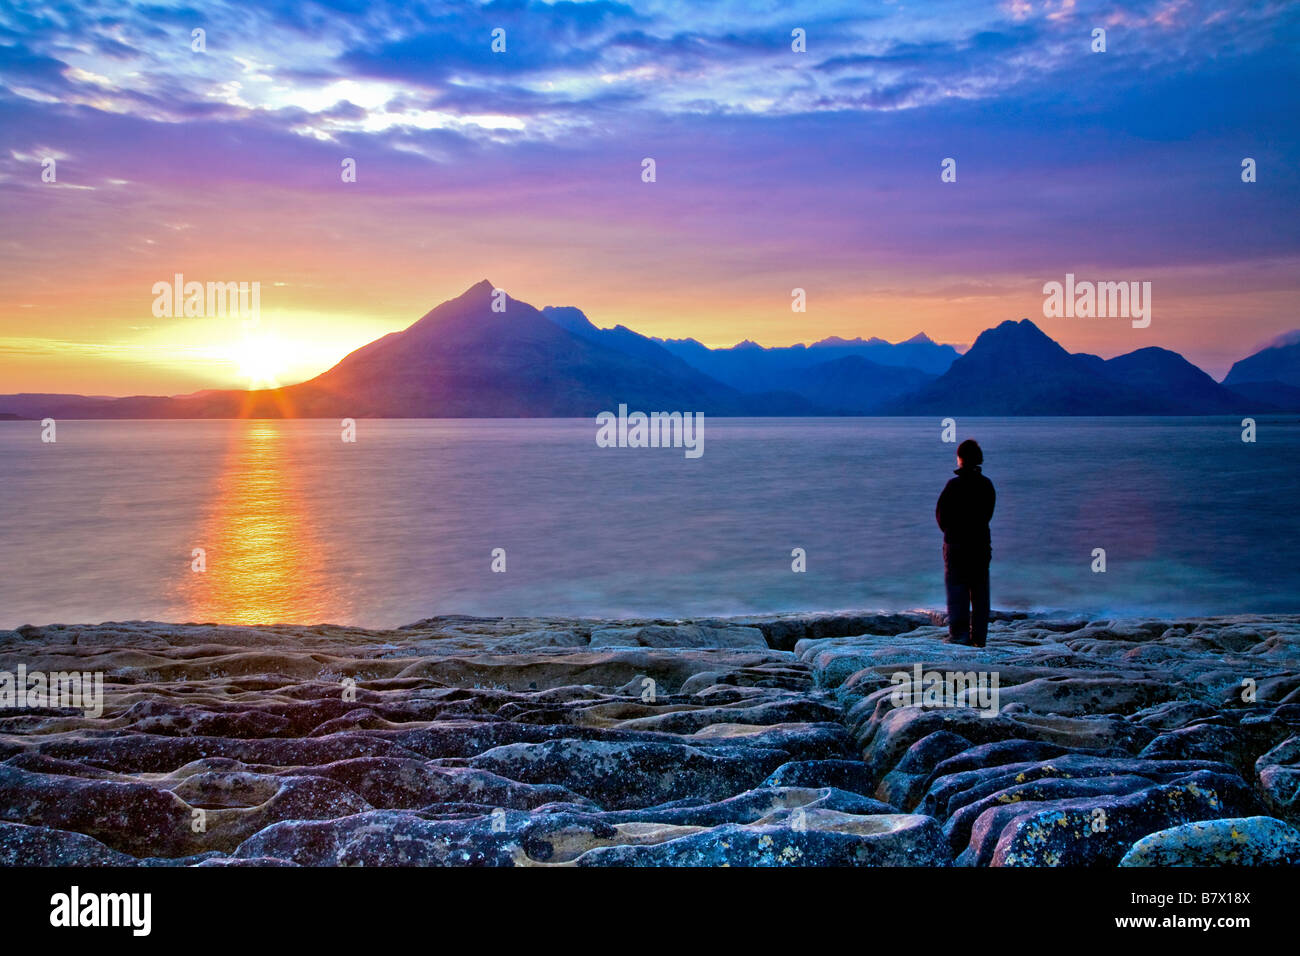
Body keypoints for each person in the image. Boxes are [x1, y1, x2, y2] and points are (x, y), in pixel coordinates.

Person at [935, 439, 995, 647]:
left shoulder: (953, 485)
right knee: (980, 592)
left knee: (957, 589)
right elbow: (988, 514)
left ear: (960, 459)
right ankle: (979, 637)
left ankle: (959, 635)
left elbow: (941, 515)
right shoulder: (986, 485)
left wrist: (951, 533)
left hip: (956, 545)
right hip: (979, 544)